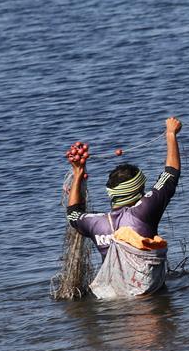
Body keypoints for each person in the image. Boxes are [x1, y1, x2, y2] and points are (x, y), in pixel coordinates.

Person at [66, 116, 182, 296]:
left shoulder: (96, 223)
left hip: (113, 299)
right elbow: (170, 175)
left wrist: (78, 172)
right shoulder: (143, 211)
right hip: (148, 297)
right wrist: (171, 133)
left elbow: (73, 214)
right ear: (138, 191)